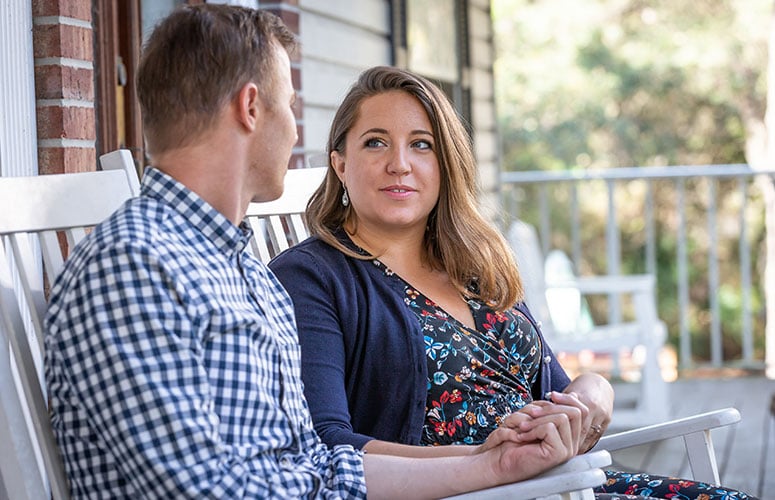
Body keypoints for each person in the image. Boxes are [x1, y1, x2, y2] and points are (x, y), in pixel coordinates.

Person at [43, 5, 589, 499]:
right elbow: (204, 488)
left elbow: (320, 461)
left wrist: (492, 463)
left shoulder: (245, 275)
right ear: (251, 108)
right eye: (289, 105)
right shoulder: (134, 265)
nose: (294, 126)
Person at [269, 66, 757, 499]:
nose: (400, 163)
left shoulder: (470, 265)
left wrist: (592, 398)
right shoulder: (312, 278)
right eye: (375, 142)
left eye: (422, 144)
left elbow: (557, 390)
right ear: (339, 163)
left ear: (445, 165)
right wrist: (487, 461)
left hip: (570, 483)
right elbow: (327, 444)